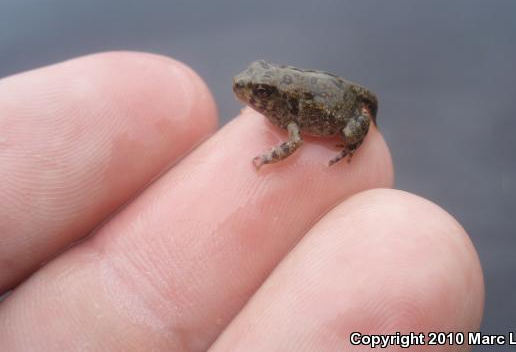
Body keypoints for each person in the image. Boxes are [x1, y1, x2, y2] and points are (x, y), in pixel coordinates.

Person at [0, 52, 483, 351]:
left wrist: (269, 158)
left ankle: (355, 143)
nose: (249, 92)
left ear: (276, 96)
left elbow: (293, 145)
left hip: (337, 105)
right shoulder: (279, 103)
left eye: (260, 91)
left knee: (356, 131)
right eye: (255, 89)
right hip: (329, 88)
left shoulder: (293, 120)